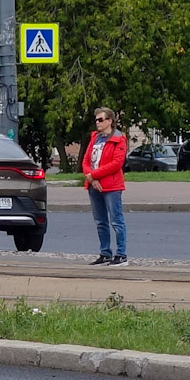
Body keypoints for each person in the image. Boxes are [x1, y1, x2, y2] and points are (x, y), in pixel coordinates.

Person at [82, 105, 128, 265]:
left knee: (116, 220)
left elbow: (116, 164)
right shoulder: (95, 138)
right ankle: (105, 253)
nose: (98, 123)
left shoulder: (118, 139)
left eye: (101, 120)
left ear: (110, 121)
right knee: (100, 221)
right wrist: (91, 179)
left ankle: (121, 254)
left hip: (111, 186)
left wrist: (94, 175)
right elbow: (86, 160)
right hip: (94, 185)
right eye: (96, 120)